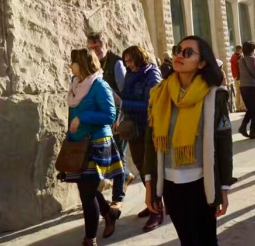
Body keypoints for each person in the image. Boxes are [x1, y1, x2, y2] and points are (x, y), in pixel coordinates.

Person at [144, 36, 233, 246]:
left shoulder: (214, 96)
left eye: (187, 53)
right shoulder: (160, 94)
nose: (178, 55)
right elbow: (151, 142)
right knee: (187, 241)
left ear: (202, 63)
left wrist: (224, 188)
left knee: (207, 241)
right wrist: (150, 187)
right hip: (170, 184)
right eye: (177, 50)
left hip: (202, 184)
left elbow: (224, 145)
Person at [65, 49, 124, 246]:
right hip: (79, 143)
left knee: (87, 193)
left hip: (96, 143)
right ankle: (108, 213)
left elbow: (109, 115)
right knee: (86, 187)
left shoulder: (99, 85)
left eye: (73, 62)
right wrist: (70, 136)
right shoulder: (76, 84)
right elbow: (71, 115)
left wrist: (83, 118)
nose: (70, 65)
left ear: (82, 63)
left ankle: (90, 240)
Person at [86, 33, 133, 214]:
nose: (95, 51)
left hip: (119, 117)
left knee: (119, 155)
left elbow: (124, 94)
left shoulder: (116, 64)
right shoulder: (93, 65)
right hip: (104, 117)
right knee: (112, 155)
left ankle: (117, 198)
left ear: (106, 45)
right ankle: (126, 176)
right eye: (92, 47)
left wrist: (121, 117)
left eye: (98, 47)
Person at [120, 45, 164, 232]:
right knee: (140, 165)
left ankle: (157, 211)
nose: (127, 64)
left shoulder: (151, 73)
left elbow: (150, 102)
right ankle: (152, 202)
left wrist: (123, 103)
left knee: (151, 169)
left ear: (138, 58)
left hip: (149, 127)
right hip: (134, 127)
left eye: (130, 60)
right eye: (126, 61)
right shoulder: (131, 73)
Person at [237, 41, 255, 138]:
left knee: (251, 108)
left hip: (243, 87)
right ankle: (252, 130)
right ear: (253, 50)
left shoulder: (240, 60)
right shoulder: (254, 59)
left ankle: (243, 126)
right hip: (252, 86)